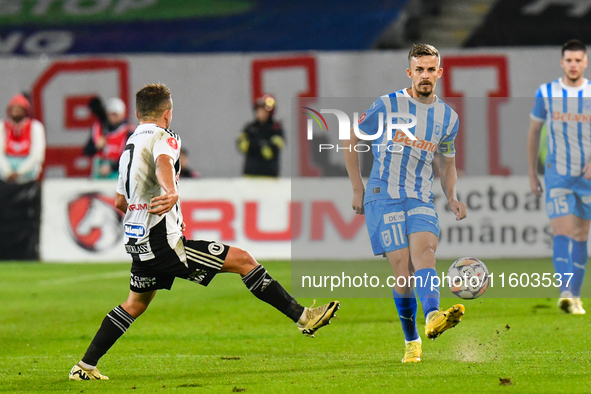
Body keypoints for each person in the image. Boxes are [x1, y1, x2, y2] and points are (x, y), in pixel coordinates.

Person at [69, 83, 339, 381]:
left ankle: (85, 366)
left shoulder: (129, 145)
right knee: (244, 260)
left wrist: (163, 213)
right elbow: (163, 164)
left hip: (136, 240)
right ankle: (303, 317)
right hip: (163, 243)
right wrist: (171, 194)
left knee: (135, 304)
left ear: (136, 113)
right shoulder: (165, 137)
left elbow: (121, 201)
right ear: (167, 114)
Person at [343, 44, 467, 363]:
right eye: (419, 69)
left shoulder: (448, 118)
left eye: (431, 69)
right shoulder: (388, 105)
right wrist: (357, 187)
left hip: (420, 195)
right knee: (403, 271)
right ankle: (412, 341)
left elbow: (448, 163)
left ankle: (433, 317)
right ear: (409, 73)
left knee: (425, 254)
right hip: (383, 195)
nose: (425, 76)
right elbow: (351, 139)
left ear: (439, 73)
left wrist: (452, 196)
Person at [528, 39, 591, 315]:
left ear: (585, 62)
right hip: (557, 174)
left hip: (586, 175)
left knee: (581, 234)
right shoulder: (546, 92)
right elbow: (533, 133)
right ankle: (565, 292)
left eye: (578, 60)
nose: (573, 65)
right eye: (569, 60)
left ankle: (574, 296)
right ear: (561, 62)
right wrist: (532, 172)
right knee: (562, 231)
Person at [83, 97, 135, 179]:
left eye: (116, 114)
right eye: (111, 114)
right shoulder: (99, 129)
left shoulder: (129, 131)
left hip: (120, 176)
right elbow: (86, 151)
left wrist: (111, 167)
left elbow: (131, 156)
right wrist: (97, 147)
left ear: (122, 114)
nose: (113, 117)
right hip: (99, 174)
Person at [0, 93, 45, 183]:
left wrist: (20, 172)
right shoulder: (2, 127)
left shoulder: (35, 127)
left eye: (19, 108)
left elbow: (37, 155)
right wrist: (8, 172)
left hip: (28, 176)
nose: (16, 111)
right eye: (13, 108)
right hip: (5, 176)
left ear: (25, 110)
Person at [237, 94, 285, 177]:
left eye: (264, 110)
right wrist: (261, 144)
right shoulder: (250, 128)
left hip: (269, 177)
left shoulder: (276, 129)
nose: (261, 113)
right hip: (250, 175)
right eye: (259, 110)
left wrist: (253, 144)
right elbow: (242, 146)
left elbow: (269, 153)